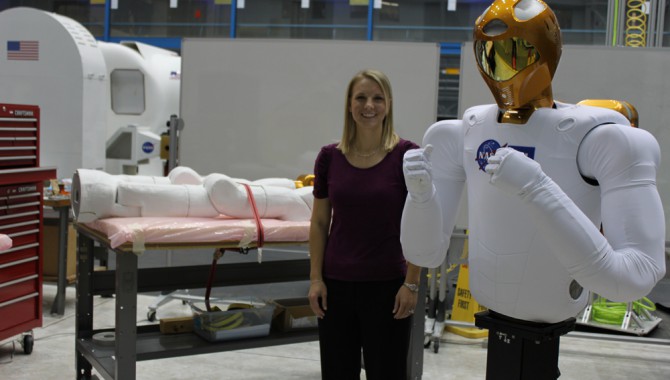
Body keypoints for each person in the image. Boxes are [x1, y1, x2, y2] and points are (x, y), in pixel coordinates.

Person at [401, 0, 665, 377]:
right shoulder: (466, 131)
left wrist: (536, 186)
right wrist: (422, 197)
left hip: (551, 305)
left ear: (545, 53)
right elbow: (423, 252)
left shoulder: (597, 139)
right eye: (490, 55)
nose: (501, 69)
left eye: (515, 53)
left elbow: (635, 275)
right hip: (493, 303)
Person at [307, 69, 421, 380]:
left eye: (377, 98)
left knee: (388, 373)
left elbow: (420, 226)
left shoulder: (408, 156)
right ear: (348, 104)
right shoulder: (329, 157)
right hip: (336, 287)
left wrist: (411, 283)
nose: (368, 105)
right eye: (360, 98)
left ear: (389, 104)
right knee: (337, 373)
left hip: (388, 288)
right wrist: (316, 279)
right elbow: (319, 222)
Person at [71, 166, 314, 222]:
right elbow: (253, 187)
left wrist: (217, 183)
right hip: (211, 193)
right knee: (177, 180)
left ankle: (108, 194)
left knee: (129, 196)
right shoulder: (294, 193)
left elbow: (235, 201)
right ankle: (105, 190)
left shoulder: (297, 206)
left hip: (210, 200)